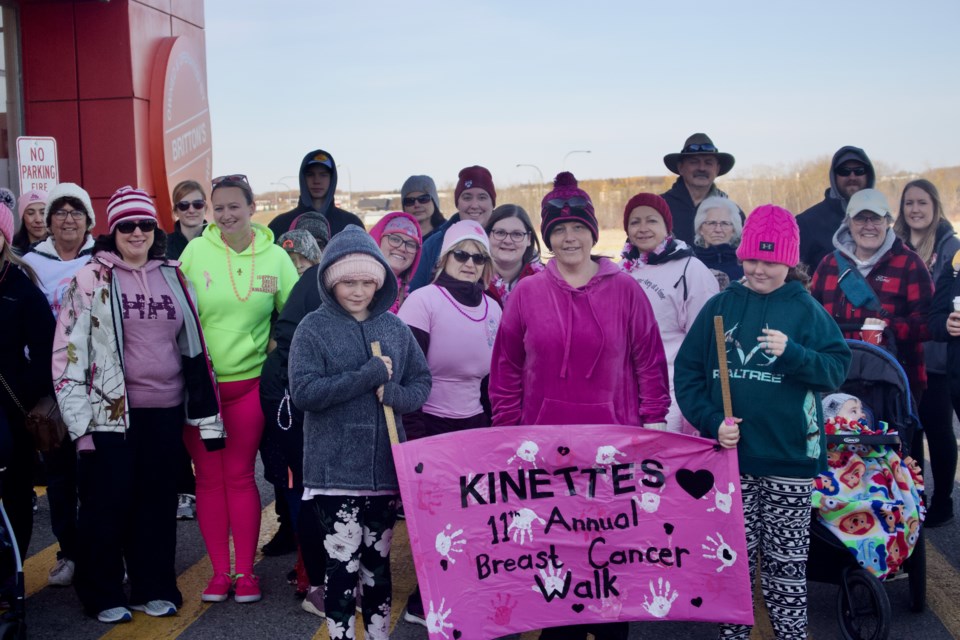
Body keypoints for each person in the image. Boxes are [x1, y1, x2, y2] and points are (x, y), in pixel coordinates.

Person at [490, 173, 669, 640]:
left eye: (578, 228)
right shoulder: (527, 293)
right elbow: (507, 366)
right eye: (558, 230)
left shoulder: (626, 289)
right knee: (557, 568)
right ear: (547, 237)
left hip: (613, 450)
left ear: (593, 232)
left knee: (611, 566)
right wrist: (508, 430)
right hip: (545, 451)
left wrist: (653, 423)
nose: (569, 238)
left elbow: (649, 358)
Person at [675, 204, 851, 640]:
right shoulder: (721, 306)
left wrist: (793, 355)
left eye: (770, 261)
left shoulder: (805, 309)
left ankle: (792, 634)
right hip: (733, 460)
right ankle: (732, 635)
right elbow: (689, 373)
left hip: (790, 458)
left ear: (789, 261)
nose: (759, 269)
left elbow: (835, 369)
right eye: (752, 258)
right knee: (733, 560)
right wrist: (712, 421)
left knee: (786, 564)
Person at [51, 187, 224, 623]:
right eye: (127, 224)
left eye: (145, 224)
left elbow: (193, 343)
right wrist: (80, 428)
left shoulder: (173, 274)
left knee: (157, 505)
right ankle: (103, 592)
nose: (137, 232)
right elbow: (67, 355)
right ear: (113, 230)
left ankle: (154, 586)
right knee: (106, 507)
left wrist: (204, 412)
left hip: (165, 411)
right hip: (109, 414)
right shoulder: (91, 279)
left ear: (155, 229)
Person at [289, 226, 431, 638]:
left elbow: (422, 383)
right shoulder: (312, 329)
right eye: (348, 282)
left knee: (377, 565)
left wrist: (397, 394)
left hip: (384, 473)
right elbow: (304, 393)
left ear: (380, 282)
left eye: (367, 282)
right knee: (342, 567)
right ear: (331, 282)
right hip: (334, 475)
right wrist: (366, 375)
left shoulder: (395, 328)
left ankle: (379, 635)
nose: (357, 291)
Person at [178, 174, 299, 603]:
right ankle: (218, 573)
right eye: (219, 207)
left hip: (250, 386)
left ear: (251, 207)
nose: (227, 215)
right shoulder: (195, 252)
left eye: (235, 206)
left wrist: (272, 351)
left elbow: (294, 317)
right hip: (202, 390)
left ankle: (246, 574)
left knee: (241, 476)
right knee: (208, 479)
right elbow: (177, 316)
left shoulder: (275, 258)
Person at [396, 220, 502, 625]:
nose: (470, 262)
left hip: (474, 424)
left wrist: (494, 431)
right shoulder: (423, 301)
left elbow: (495, 380)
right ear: (444, 259)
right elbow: (407, 374)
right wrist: (416, 438)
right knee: (436, 522)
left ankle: (464, 594)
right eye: (462, 254)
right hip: (429, 423)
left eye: (479, 257)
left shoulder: (494, 307)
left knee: (472, 520)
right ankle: (425, 604)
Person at [20, 182, 97, 588]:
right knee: (61, 475)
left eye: (77, 212)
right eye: (60, 212)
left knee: (100, 474)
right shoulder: (30, 264)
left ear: (89, 220)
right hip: (52, 387)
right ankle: (69, 552)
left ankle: (105, 552)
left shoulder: (104, 258)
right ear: (47, 222)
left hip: (102, 384)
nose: (69, 219)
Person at [810, 188, 933, 402]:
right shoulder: (829, 264)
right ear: (848, 222)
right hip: (837, 379)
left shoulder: (910, 264)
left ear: (888, 221)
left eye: (875, 218)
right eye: (860, 219)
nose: (869, 226)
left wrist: (888, 325)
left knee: (894, 436)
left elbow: (928, 324)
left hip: (895, 383)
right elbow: (811, 320)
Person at [619, 193, 718, 433]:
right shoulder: (621, 271)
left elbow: (705, 340)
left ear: (666, 226)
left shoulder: (690, 269)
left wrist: (697, 397)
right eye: (635, 222)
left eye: (651, 220)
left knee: (662, 463)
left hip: (671, 392)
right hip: (625, 391)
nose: (643, 228)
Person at [897, 179, 960, 527]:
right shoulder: (897, 245)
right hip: (905, 354)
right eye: (909, 203)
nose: (915, 210)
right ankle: (913, 494)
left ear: (935, 206)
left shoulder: (952, 248)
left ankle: (943, 500)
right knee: (911, 431)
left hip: (938, 358)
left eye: (922, 202)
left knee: (938, 428)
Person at [0, 203, 54, 568]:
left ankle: (12, 577)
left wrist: (22, 395)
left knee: (14, 496)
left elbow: (47, 350)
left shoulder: (21, 287)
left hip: (10, 410)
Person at [409, 165, 496, 292]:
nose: (474, 205)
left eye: (482, 197)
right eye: (467, 197)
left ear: (492, 203)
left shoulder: (506, 242)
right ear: (457, 203)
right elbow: (414, 293)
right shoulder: (435, 244)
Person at [797, 146, 876, 271]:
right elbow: (794, 276)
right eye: (844, 171)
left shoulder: (880, 222)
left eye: (859, 171)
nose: (852, 177)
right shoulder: (806, 223)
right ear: (834, 176)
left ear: (868, 175)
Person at [661, 133, 739, 245]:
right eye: (694, 162)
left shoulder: (732, 211)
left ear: (717, 169)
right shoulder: (659, 208)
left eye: (708, 163)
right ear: (680, 167)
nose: (702, 168)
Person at [268, 149, 364, 239]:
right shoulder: (280, 225)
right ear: (303, 178)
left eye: (323, 175)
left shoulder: (351, 225)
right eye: (310, 175)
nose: (317, 181)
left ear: (332, 179)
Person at [484, 204, 544, 307]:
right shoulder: (472, 279)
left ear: (529, 239)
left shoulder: (545, 282)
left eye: (517, 234)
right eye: (500, 232)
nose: (507, 241)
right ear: (488, 235)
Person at [369, 211, 422, 312]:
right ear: (378, 241)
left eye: (411, 245)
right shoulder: (359, 283)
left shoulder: (412, 298)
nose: (402, 248)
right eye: (395, 239)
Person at [692, 195, 744, 286]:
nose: (718, 230)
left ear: (734, 230)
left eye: (725, 223)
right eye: (712, 223)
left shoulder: (744, 266)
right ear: (700, 229)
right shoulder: (691, 264)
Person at [166, 180, 208, 260]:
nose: (191, 210)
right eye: (184, 205)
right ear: (175, 211)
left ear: (205, 208)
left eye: (197, 204)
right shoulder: (162, 247)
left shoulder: (221, 242)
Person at [400, 175, 446, 241]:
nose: (417, 205)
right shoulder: (395, 237)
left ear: (434, 202)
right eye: (410, 201)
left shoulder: (449, 233)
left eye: (423, 199)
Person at [11, 189, 48, 254]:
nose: (38, 220)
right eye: (30, 213)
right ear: (23, 217)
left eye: (43, 213)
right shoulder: (12, 251)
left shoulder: (61, 248)